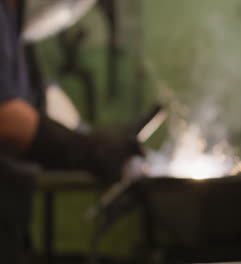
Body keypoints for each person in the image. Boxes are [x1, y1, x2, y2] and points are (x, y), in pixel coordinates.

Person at [0, 0, 143, 262]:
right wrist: (85, 149)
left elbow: (41, 97)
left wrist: (91, 137)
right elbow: (7, 121)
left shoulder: (15, 22)